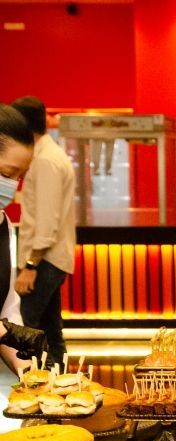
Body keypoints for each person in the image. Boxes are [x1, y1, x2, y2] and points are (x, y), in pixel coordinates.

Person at [10, 96, 75, 369]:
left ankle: (37, 389)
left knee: (25, 329)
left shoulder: (46, 161)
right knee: (50, 331)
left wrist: (29, 266)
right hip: (49, 259)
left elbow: (47, 221)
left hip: (43, 260)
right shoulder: (48, 155)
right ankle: (59, 387)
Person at [0, 104, 50, 370]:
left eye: (19, 177)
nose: (12, 185)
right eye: (7, 174)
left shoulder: (3, 223)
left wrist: (26, 367)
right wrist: (6, 333)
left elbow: (7, 307)